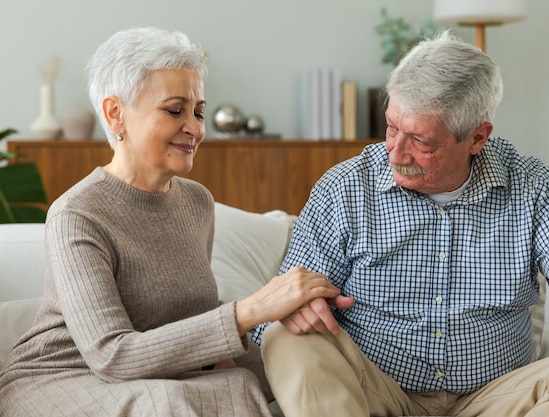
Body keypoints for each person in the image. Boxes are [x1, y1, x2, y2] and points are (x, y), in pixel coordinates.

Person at [252, 30, 549, 417]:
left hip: (498, 400)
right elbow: (276, 310)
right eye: (392, 128)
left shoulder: (535, 190)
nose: (395, 153)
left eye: (420, 141)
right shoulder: (345, 188)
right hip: (372, 394)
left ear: (477, 137)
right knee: (285, 336)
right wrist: (298, 307)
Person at [0, 27, 342, 417]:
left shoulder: (196, 202)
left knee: (239, 383)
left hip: (154, 375)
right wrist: (253, 308)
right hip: (62, 377)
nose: (196, 128)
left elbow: (189, 319)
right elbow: (112, 356)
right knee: (171, 403)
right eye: (174, 110)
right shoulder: (77, 214)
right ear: (116, 114)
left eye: (198, 111)